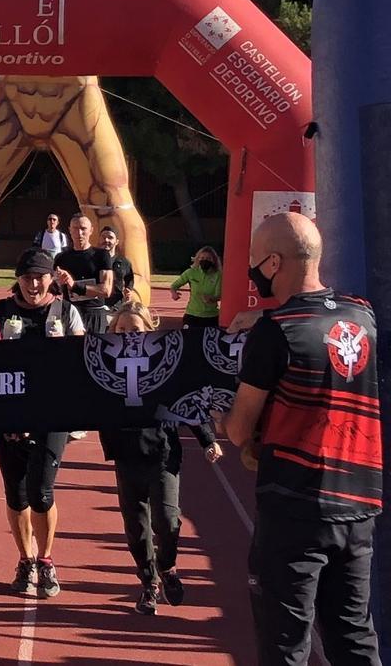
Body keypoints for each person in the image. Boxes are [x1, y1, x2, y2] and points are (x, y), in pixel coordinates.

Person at [224, 211, 382, 666]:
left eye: (256, 261)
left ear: (273, 263)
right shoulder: (363, 316)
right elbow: (319, 322)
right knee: (353, 634)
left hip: (296, 505)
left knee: (284, 642)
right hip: (358, 504)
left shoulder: (276, 333)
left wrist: (222, 419)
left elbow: (239, 429)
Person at [100, 302, 223, 615]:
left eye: (136, 331)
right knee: (136, 528)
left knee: (167, 520)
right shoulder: (102, 368)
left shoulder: (166, 366)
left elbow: (188, 403)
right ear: (112, 333)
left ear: (150, 332)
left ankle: (167, 566)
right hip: (127, 458)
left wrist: (207, 439)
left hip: (162, 455)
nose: (129, 336)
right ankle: (148, 583)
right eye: (122, 330)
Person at [0, 248, 85, 599]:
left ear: (52, 278)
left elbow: (82, 364)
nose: (33, 283)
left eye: (40, 276)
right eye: (27, 276)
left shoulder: (66, 311)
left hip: (52, 414)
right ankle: (25, 559)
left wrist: (65, 349)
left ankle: (46, 559)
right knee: (16, 495)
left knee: (41, 492)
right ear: (17, 278)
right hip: (7, 417)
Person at [54, 214, 114, 334]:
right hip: (70, 313)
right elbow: (55, 289)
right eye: (75, 228)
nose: (79, 233)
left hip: (94, 313)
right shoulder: (61, 258)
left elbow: (106, 290)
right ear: (70, 230)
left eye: (83, 229)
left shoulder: (101, 255)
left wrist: (74, 285)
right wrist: (58, 283)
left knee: (93, 350)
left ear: (91, 230)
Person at [170, 246, 222, 328]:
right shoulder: (191, 273)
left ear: (214, 260)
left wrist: (211, 299)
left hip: (211, 316)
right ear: (198, 259)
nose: (205, 260)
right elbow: (174, 286)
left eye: (208, 258)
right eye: (202, 258)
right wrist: (174, 293)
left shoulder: (218, 275)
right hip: (192, 314)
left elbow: (219, 295)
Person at [100, 225, 135, 310]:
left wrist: (128, 290)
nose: (106, 240)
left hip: (116, 307)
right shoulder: (92, 260)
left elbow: (129, 278)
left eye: (110, 237)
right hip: (97, 306)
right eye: (103, 237)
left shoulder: (123, 262)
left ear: (117, 241)